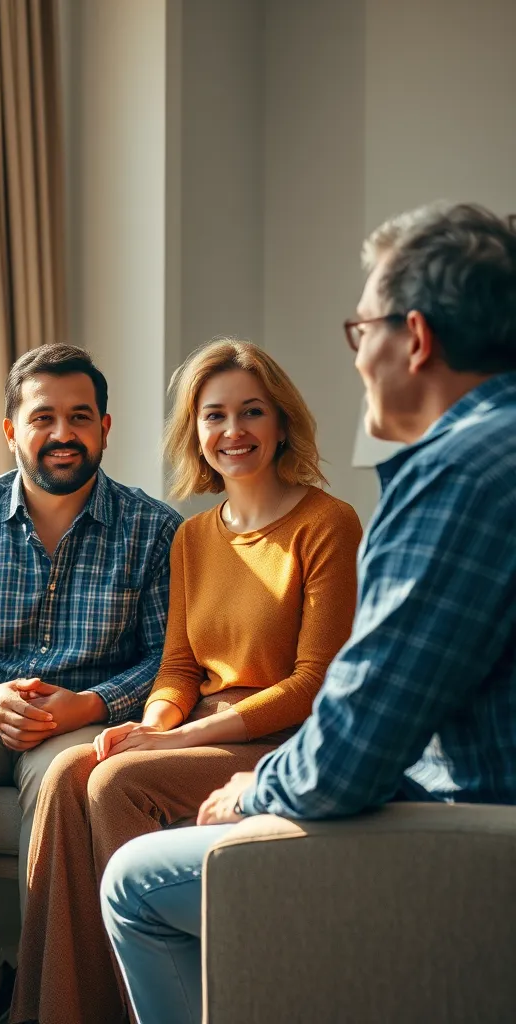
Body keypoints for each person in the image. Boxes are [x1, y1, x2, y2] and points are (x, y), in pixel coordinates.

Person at [99, 202, 516, 1024]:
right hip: (472, 810)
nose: (360, 357)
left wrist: (254, 792)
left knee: (136, 884)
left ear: (416, 339)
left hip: (480, 839)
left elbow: (351, 739)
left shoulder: (454, 476)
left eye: (361, 331)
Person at [12, 339, 363, 1024]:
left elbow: (313, 683)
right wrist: (155, 724)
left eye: (251, 413)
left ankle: (144, 1002)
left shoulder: (326, 524)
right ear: (195, 432)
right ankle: (56, 1010)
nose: (233, 432)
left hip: (279, 738)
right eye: (215, 416)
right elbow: (177, 668)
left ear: (282, 423)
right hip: (201, 726)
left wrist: (184, 735)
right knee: (64, 772)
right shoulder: (194, 536)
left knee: (117, 782)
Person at [0, 344, 183, 1023]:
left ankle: (42, 989)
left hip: (86, 711)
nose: (62, 434)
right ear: (11, 431)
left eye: (80, 417)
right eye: (43, 417)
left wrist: (89, 704)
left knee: (59, 780)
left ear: (105, 428)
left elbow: (170, 657)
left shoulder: (153, 530)